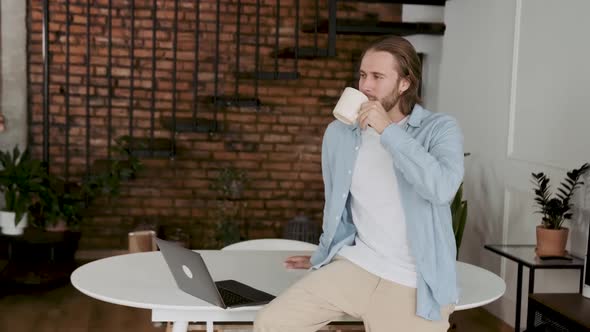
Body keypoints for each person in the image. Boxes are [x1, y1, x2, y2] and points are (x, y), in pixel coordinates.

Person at [254, 35, 464, 332]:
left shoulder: (440, 129)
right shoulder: (339, 134)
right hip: (358, 265)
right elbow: (336, 206)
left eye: (378, 77)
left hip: (412, 280)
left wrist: (387, 131)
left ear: (405, 83)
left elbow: (441, 189)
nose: (365, 86)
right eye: (363, 75)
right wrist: (325, 253)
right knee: (270, 323)